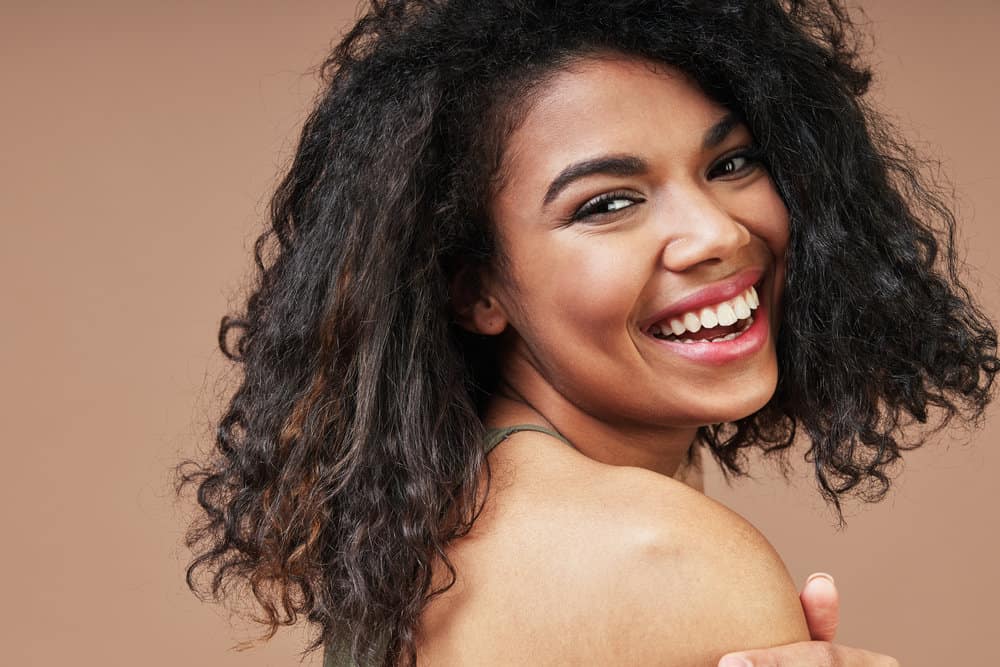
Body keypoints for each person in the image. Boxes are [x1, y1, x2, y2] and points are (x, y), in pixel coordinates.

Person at [176, 1, 998, 665]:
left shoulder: (454, 511)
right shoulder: (659, 557)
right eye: (607, 202)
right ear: (476, 290)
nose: (714, 232)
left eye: (731, 162)